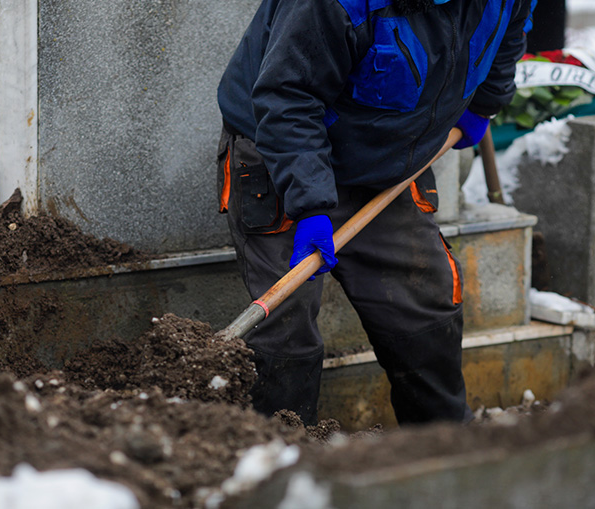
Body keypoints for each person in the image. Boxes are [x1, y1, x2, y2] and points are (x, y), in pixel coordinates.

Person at [216, 0, 534, 426]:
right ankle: (284, 464)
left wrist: (486, 101)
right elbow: (289, 97)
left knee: (424, 302)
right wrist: (310, 206)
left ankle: (442, 451)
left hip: (388, 164)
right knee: (285, 333)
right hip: (284, 154)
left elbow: (509, 31)